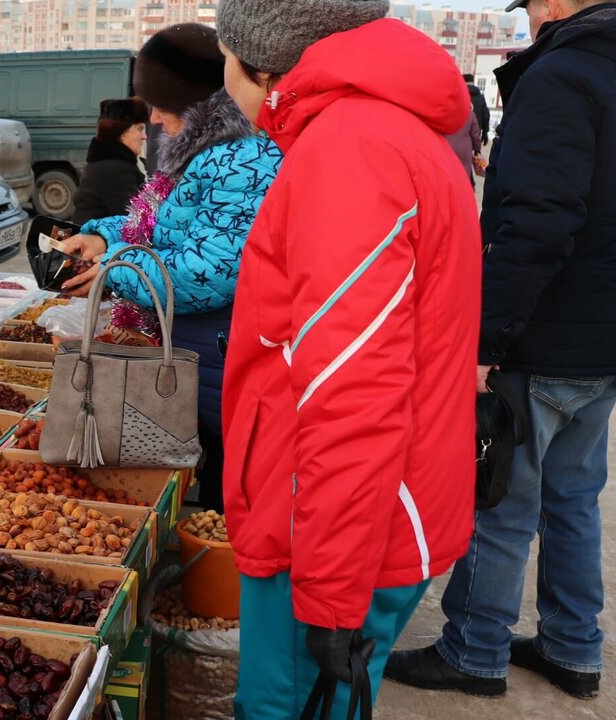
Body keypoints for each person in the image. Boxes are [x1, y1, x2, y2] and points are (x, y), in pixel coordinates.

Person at [215, 0, 482, 717]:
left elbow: (351, 390)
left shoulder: (350, 152)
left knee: (286, 706)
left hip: (328, 526)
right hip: (351, 512)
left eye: (224, 59)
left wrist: (331, 594)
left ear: (262, 64)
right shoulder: (381, 130)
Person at [386, 0, 616, 701]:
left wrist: (487, 341)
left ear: (551, 6)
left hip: (546, 336)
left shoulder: (562, 75)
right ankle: (573, 648)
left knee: (502, 502)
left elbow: (536, 222)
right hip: (600, 339)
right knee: (573, 497)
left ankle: (475, 650)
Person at [58, 23, 282, 514]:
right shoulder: (204, 153)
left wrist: (114, 268)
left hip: (228, 362)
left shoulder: (243, 158)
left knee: (233, 505)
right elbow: (160, 228)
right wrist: (100, 235)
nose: (154, 118)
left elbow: (211, 271)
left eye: (162, 104)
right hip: (200, 357)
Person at [72, 98, 149, 224]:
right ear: (123, 134)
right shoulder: (116, 171)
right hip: (100, 241)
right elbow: (134, 221)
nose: (144, 136)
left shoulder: (107, 163)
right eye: (140, 129)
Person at [445, 106, 483, 185]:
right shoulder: (470, 114)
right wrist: (477, 149)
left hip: (447, 147)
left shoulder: (446, 113)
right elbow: (475, 135)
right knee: (464, 177)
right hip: (464, 151)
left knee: (448, 175)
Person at [466, 73, 492, 145]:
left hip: (460, 133)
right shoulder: (480, 97)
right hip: (476, 132)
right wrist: (485, 132)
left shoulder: (459, 95)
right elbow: (485, 116)